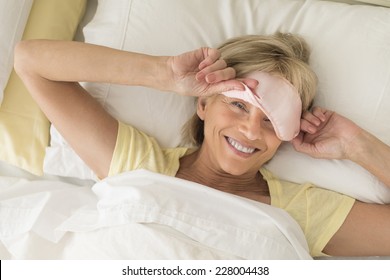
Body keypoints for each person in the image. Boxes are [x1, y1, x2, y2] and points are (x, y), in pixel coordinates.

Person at [14, 32, 390, 258]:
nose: (250, 130)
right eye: (238, 105)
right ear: (204, 102)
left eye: (272, 121)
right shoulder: (140, 166)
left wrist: (358, 146)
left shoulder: (302, 210)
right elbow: (29, 60)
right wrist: (161, 74)